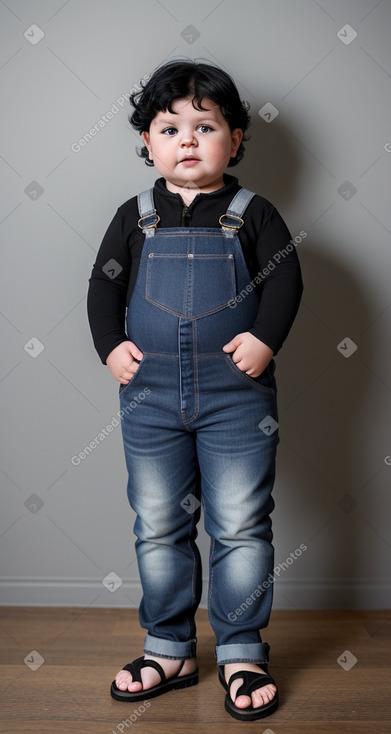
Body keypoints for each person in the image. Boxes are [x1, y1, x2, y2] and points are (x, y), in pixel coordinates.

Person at [87, 59, 303, 722]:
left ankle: (240, 649)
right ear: (147, 142)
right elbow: (104, 287)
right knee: (158, 524)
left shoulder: (252, 215)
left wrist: (264, 339)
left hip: (235, 396)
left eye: (204, 127)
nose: (186, 139)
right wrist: (110, 347)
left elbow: (286, 283)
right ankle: (169, 647)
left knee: (239, 525)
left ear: (233, 140)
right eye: (169, 127)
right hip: (149, 395)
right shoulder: (135, 216)